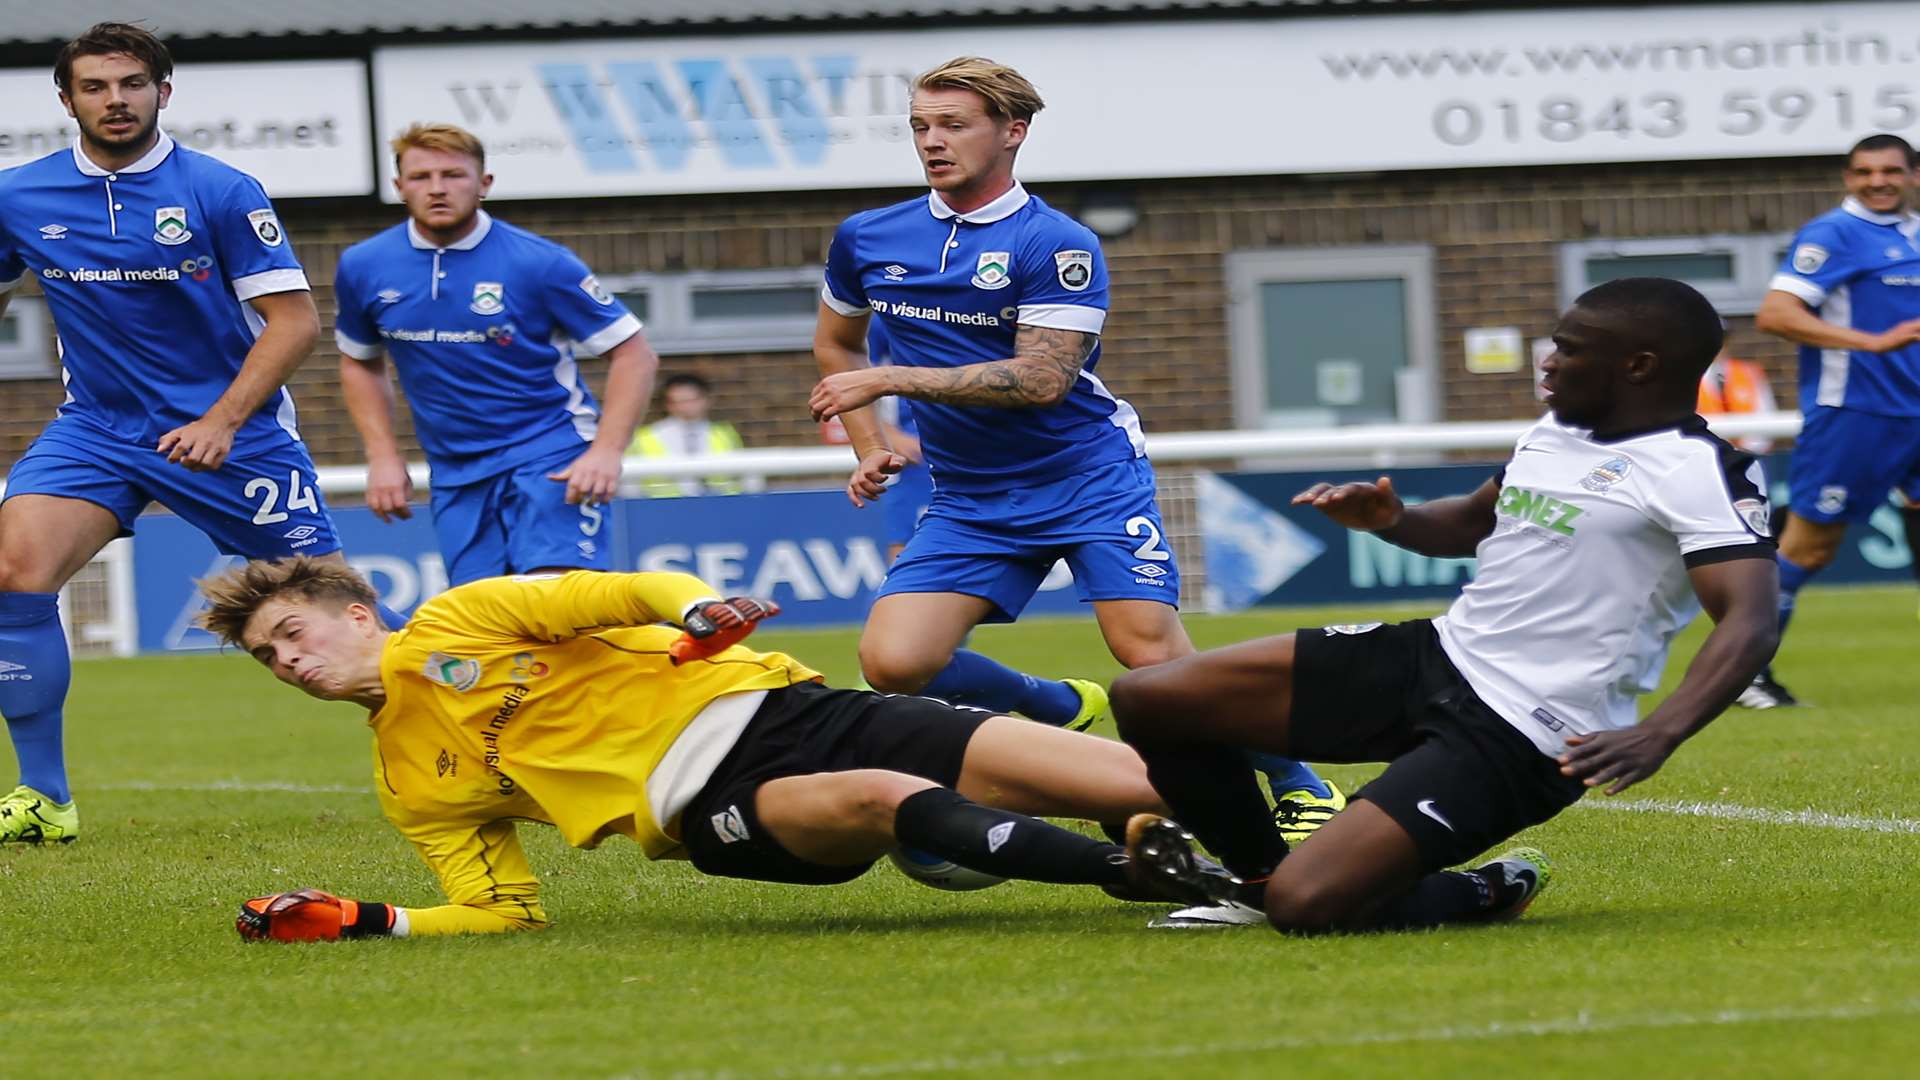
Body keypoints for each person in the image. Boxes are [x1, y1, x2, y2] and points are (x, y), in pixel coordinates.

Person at [1109, 278, 1779, 932]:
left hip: (1527, 729)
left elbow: (1748, 620)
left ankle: (1483, 889)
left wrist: (1660, 732)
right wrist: (1392, 519)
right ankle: (1254, 882)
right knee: (1151, 697)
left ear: (1638, 366)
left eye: (1569, 349)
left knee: (1307, 906)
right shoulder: (1556, 434)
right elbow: (1465, 524)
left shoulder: (1701, 471)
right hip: (1436, 655)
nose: (1548, 361)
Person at [807, 56, 1340, 836]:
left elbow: (1042, 379)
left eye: (953, 124)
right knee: (893, 665)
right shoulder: (868, 236)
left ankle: (1301, 787)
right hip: (972, 495)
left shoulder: (1058, 243)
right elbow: (836, 346)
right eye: (920, 125)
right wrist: (869, 443)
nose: (931, 142)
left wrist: (893, 380)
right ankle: (1054, 705)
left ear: (1012, 132)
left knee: (1151, 658)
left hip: (1086, 476)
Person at [195, 557, 1173, 940]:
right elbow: (503, 912)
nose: (285, 659)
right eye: (264, 657)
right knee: (878, 794)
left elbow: (629, 590)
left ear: (359, 615)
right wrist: (372, 920)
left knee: (1134, 778)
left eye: (291, 634)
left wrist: (699, 609)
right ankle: (1154, 878)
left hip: (793, 712)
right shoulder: (407, 779)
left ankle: (1272, 864)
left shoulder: (465, 617)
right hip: (713, 808)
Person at [0, 23, 378, 844]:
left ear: (162, 92)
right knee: (12, 572)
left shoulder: (219, 189)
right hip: (97, 431)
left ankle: (467, 751)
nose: (116, 100)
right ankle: (45, 797)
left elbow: (294, 322)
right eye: (96, 87)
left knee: (333, 624)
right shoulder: (18, 195)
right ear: (66, 100)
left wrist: (221, 419)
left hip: (234, 439)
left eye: (133, 84)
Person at [334, 123, 655, 586]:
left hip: (551, 453)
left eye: (454, 175)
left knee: (555, 600)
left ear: (484, 184)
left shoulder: (540, 262)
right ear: (399, 187)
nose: (438, 188)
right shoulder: (363, 265)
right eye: (421, 177)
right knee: (487, 617)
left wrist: (606, 451)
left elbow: (634, 354)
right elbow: (360, 362)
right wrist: (383, 455)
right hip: (455, 471)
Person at [1748, 132, 1920, 706]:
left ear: (1912, 175)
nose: (1878, 182)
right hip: (1856, 414)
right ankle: (1745, 674)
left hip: (1914, 415)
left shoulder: (1913, 235)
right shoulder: (1833, 234)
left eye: (1890, 171)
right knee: (1809, 548)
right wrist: (1867, 343)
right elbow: (1775, 313)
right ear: (1849, 179)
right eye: (1865, 172)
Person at [628, 373, 754, 498]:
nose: (685, 407)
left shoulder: (724, 433)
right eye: (677, 401)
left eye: (691, 400)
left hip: (720, 505)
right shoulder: (645, 436)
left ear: (707, 399)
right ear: (667, 404)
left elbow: (744, 475)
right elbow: (630, 485)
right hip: (664, 507)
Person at [1697, 335, 1778, 454]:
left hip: (1748, 455)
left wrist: (1747, 450)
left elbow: (1766, 414)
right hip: (1707, 454)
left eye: (1722, 341)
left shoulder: (1748, 372)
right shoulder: (1691, 377)